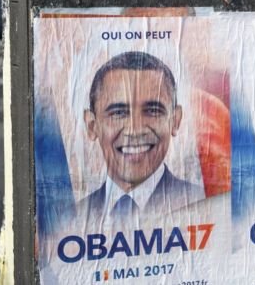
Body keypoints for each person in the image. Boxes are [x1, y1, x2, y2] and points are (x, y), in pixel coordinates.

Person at [76, 51, 203, 224]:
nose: (135, 130)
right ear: (92, 126)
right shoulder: (72, 218)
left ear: (175, 121)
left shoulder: (206, 205)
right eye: (118, 113)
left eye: (153, 111)